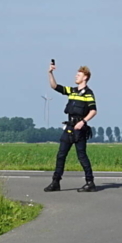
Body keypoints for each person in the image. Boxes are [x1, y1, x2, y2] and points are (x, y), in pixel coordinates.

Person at [45, 63, 98, 193]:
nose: (76, 76)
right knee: (61, 155)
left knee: (82, 156)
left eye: (78, 75)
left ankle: (90, 182)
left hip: (80, 130)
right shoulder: (72, 90)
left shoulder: (88, 93)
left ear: (85, 77)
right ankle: (55, 182)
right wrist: (50, 73)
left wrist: (83, 122)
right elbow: (54, 86)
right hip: (69, 128)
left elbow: (93, 111)